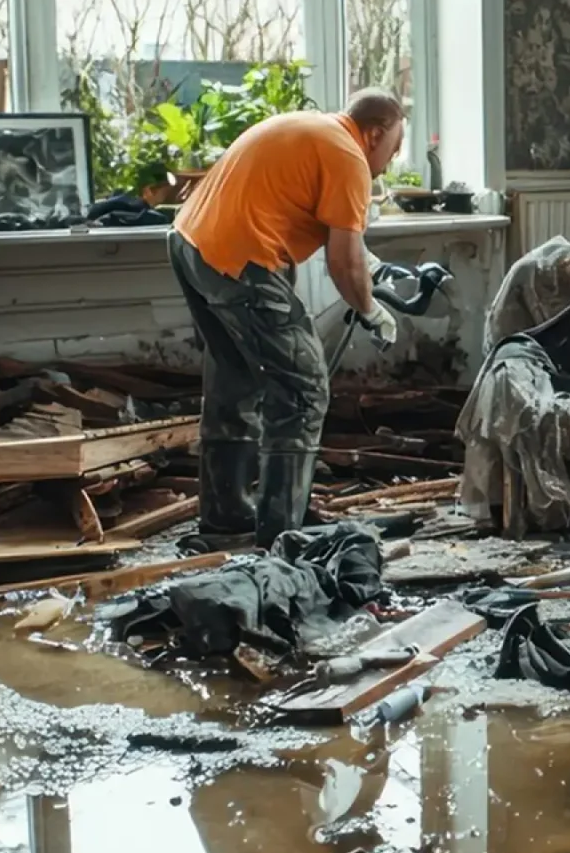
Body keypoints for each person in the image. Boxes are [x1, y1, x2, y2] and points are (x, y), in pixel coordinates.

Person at [169, 88, 407, 550]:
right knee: (303, 390)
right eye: (394, 149)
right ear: (375, 134)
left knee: (233, 384)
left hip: (190, 244)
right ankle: (282, 533)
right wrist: (371, 310)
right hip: (239, 260)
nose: (391, 162)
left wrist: (371, 270)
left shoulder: (313, 131)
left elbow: (339, 236)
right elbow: (343, 263)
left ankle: (227, 520)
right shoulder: (349, 157)